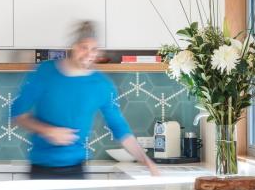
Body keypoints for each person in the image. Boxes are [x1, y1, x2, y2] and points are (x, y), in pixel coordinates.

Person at [12, 21, 159, 179]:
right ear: (73, 46)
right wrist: (47, 130)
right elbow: (16, 114)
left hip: (76, 171)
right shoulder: (45, 72)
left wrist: (145, 159)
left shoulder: (102, 85)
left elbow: (120, 128)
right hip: (40, 170)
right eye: (84, 47)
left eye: (94, 49)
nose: (89, 54)